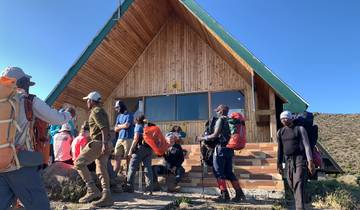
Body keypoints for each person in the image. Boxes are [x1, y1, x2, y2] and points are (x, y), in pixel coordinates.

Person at [0, 67, 72, 210]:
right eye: (27, 82)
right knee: (40, 206)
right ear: (23, 82)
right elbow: (56, 119)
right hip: (21, 165)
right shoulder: (28, 100)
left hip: (1, 164)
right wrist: (68, 114)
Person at [198, 104, 245, 202]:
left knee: (218, 172)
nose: (217, 112)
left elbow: (214, 135)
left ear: (221, 111)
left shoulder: (221, 120)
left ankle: (224, 195)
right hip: (229, 149)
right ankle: (239, 194)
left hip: (220, 149)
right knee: (229, 172)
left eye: (218, 110)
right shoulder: (231, 121)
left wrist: (201, 138)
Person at [74, 91, 113, 207]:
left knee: (79, 163)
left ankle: (92, 189)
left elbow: (104, 127)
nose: (86, 102)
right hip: (104, 143)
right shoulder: (102, 111)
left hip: (99, 143)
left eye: (87, 100)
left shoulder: (95, 111)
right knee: (101, 169)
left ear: (91, 101)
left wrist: (104, 143)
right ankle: (107, 196)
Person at [277, 111, 314, 210]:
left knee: (298, 182)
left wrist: (310, 161)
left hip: (300, 159)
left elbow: (307, 146)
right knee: (291, 183)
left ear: (291, 118)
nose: (284, 120)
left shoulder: (300, 129)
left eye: (286, 118)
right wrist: (279, 163)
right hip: (288, 161)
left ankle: (299, 207)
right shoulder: (280, 132)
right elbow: (280, 149)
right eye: (282, 118)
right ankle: (305, 197)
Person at [124, 114, 154, 195]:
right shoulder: (148, 126)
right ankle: (149, 189)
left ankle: (129, 187)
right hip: (149, 149)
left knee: (132, 167)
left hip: (140, 148)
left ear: (137, 120)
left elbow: (136, 138)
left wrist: (130, 151)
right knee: (148, 169)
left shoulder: (138, 126)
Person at [113, 100, 134, 175]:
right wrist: (122, 126)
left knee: (128, 157)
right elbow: (115, 129)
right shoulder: (119, 116)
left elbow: (127, 125)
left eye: (117, 107)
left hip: (128, 138)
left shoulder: (129, 114)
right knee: (116, 156)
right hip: (119, 138)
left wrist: (119, 126)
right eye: (115, 108)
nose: (116, 109)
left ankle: (128, 176)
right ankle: (115, 174)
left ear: (121, 106)